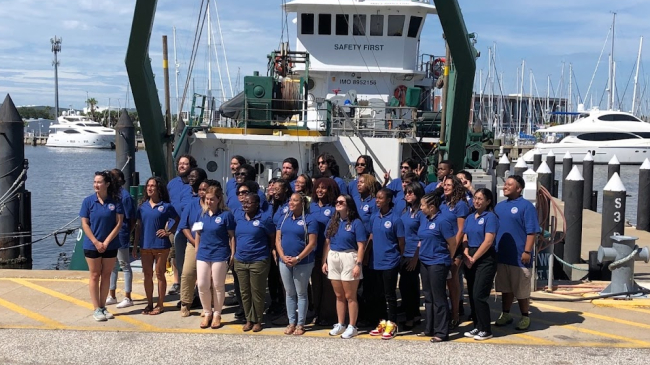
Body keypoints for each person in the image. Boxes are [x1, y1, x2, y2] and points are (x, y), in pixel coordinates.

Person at [494, 175, 539, 331]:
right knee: (505, 289)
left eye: (509, 185)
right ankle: (506, 314)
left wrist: (527, 251)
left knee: (521, 290)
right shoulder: (499, 207)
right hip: (502, 256)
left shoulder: (527, 206)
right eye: (505, 184)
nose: (505, 186)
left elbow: (532, 232)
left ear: (519, 189)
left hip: (520, 257)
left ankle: (525, 316)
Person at [79, 170, 124, 321]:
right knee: (94, 275)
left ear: (107, 184)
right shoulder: (88, 201)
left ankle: (103, 306)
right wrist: (96, 242)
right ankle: (96, 308)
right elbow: (85, 223)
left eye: (99, 182)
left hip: (110, 245)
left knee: (106, 275)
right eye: (95, 182)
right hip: (92, 245)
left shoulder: (115, 202)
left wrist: (106, 242)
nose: (96, 185)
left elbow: (118, 224)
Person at [322, 194, 367, 339]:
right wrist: (325, 261)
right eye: (337, 201)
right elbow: (327, 243)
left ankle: (352, 325)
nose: (338, 204)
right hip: (334, 257)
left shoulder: (356, 223)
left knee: (350, 296)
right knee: (339, 295)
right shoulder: (332, 222)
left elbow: (361, 246)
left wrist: (358, 264)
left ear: (348, 204)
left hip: (349, 257)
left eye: (341, 202)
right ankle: (340, 323)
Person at [133, 177, 180, 315]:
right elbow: (138, 226)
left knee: (160, 274)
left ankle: (160, 304)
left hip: (161, 245)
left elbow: (177, 219)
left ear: (158, 188)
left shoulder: (166, 206)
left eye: (153, 186)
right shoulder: (142, 207)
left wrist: (168, 231)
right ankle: (149, 303)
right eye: (148, 185)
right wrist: (135, 244)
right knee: (147, 275)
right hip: (145, 245)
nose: (149, 188)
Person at [275, 192, 318, 335]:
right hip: (284, 262)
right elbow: (278, 240)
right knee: (289, 293)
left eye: (295, 200)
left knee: (301, 293)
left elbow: (312, 243)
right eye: (290, 200)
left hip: (303, 262)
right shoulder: (283, 218)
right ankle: (291, 322)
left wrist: (298, 258)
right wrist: (282, 256)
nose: (291, 203)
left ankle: (300, 324)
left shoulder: (309, 220)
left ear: (302, 203)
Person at [194, 185, 235, 329]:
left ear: (219, 199)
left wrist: (232, 253)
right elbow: (198, 235)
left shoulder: (226, 215)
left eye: (212, 199)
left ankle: (217, 313)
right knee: (203, 285)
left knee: (218, 285)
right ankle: (207, 312)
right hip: (203, 254)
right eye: (206, 199)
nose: (208, 202)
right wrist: (197, 252)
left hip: (219, 253)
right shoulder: (202, 214)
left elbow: (231, 236)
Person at [417, 192, 457, 343]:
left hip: (438, 262)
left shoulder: (443, 221)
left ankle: (442, 332)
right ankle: (429, 328)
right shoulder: (424, 219)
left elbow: (452, 243)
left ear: (432, 207)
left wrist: (449, 258)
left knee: (439, 297)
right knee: (428, 296)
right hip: (425, 261)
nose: (420, 208)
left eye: (423, 205)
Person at [233, 193, 275, 332]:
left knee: (257, 291)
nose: (245, 205)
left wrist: (268, 252)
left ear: (257, 204)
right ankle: (248, 319)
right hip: (241, 259)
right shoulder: (238, 217)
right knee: (245, 292)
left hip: (258, 260)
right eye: (243, 202)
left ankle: (258, 320)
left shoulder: (264, 219)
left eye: (248, 203)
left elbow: (272, 237)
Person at [367, 188, 404, 340]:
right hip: (376, 262)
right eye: (376, 198)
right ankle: (382, 322)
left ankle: (392, 322)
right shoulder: (374, 217)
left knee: (390, 295)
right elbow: (371, 236)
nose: (377, 200)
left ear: (388, 200)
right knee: (378, 294)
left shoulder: (396, 219)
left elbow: (401, 241)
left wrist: (399, 257)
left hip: (390, 261)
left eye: (380, 198)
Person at [462, 188, 499, 341]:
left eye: (480, 199)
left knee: (479, 294)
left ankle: (486, 328)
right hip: (469, 256)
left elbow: (488, 240)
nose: (476, 201)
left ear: (488, 201)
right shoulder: (470, 217)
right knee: (471, 293)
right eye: (475, 198)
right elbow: (465, 236)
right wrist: (465, 253)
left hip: (485, 258)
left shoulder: (490, 217)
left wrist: (474, 257)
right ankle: (477, 325)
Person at [177, 176, 214, 317]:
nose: (202, 192)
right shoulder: (192, 205)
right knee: (187, 273)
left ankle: (209, 305)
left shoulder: (215, 206)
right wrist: (193, 241)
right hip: (193, 244)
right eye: (199, 189)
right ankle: (185, 302)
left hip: (211, 245)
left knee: (209, 276)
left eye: (204, 189)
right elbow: (184, 226)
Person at [438, 175, 470, 328]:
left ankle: (455, 314)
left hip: (454, 248)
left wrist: (452, 249)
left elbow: (461, 230)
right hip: (441, 246)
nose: (446, 187)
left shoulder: (461, 205)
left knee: (452, 280)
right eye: (444, 185)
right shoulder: (442, 203)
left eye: (449, 185)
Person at [309, 178, 341, 326]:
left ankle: (328, 316)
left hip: (328, 252)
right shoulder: (311, 206)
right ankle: (316, 313)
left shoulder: (334, 208)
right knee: (316, 285)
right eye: (318, 188)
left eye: (324, 188)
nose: (320, 191)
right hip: (312, 252)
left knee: (329, 286)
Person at [167, 154, 197, 296]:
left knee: (193, 256)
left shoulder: (194, 184)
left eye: (185, 164)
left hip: (192, 228)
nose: (181, 166)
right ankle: (177, 282)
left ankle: (195, 284)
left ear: (191, 166)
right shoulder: (172, 184)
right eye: (180, 163)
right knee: (175, 255)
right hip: (173, 226)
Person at [106, 169, 135, 309]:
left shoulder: (125, 196)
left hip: (121, 234)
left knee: (125, 265)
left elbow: (132, 218)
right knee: (112, 266)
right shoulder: (110, 195)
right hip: (110, 234)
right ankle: (112, 295)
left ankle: (128, 296)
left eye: (112, 177)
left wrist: (127, 233)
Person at [399, 182, 425, 329]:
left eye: (411, 193)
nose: (408, 195)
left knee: (410, 286)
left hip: (414, 253)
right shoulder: (406, 211)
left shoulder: (421, 213)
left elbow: (422, 236)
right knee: (405, 286)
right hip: (404, 252)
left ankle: (412, 317)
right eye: (406, 192)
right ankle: (413, 314)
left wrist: (416, 256)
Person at [268, 179, 293, 316]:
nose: (275, 191)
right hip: (274, 247)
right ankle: (278, 304)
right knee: (275, 278)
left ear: (286, 190)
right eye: (273, 189)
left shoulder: (289, 205)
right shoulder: (274, 205)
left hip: (286, 247)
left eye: (278, 189)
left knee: (288, 281)